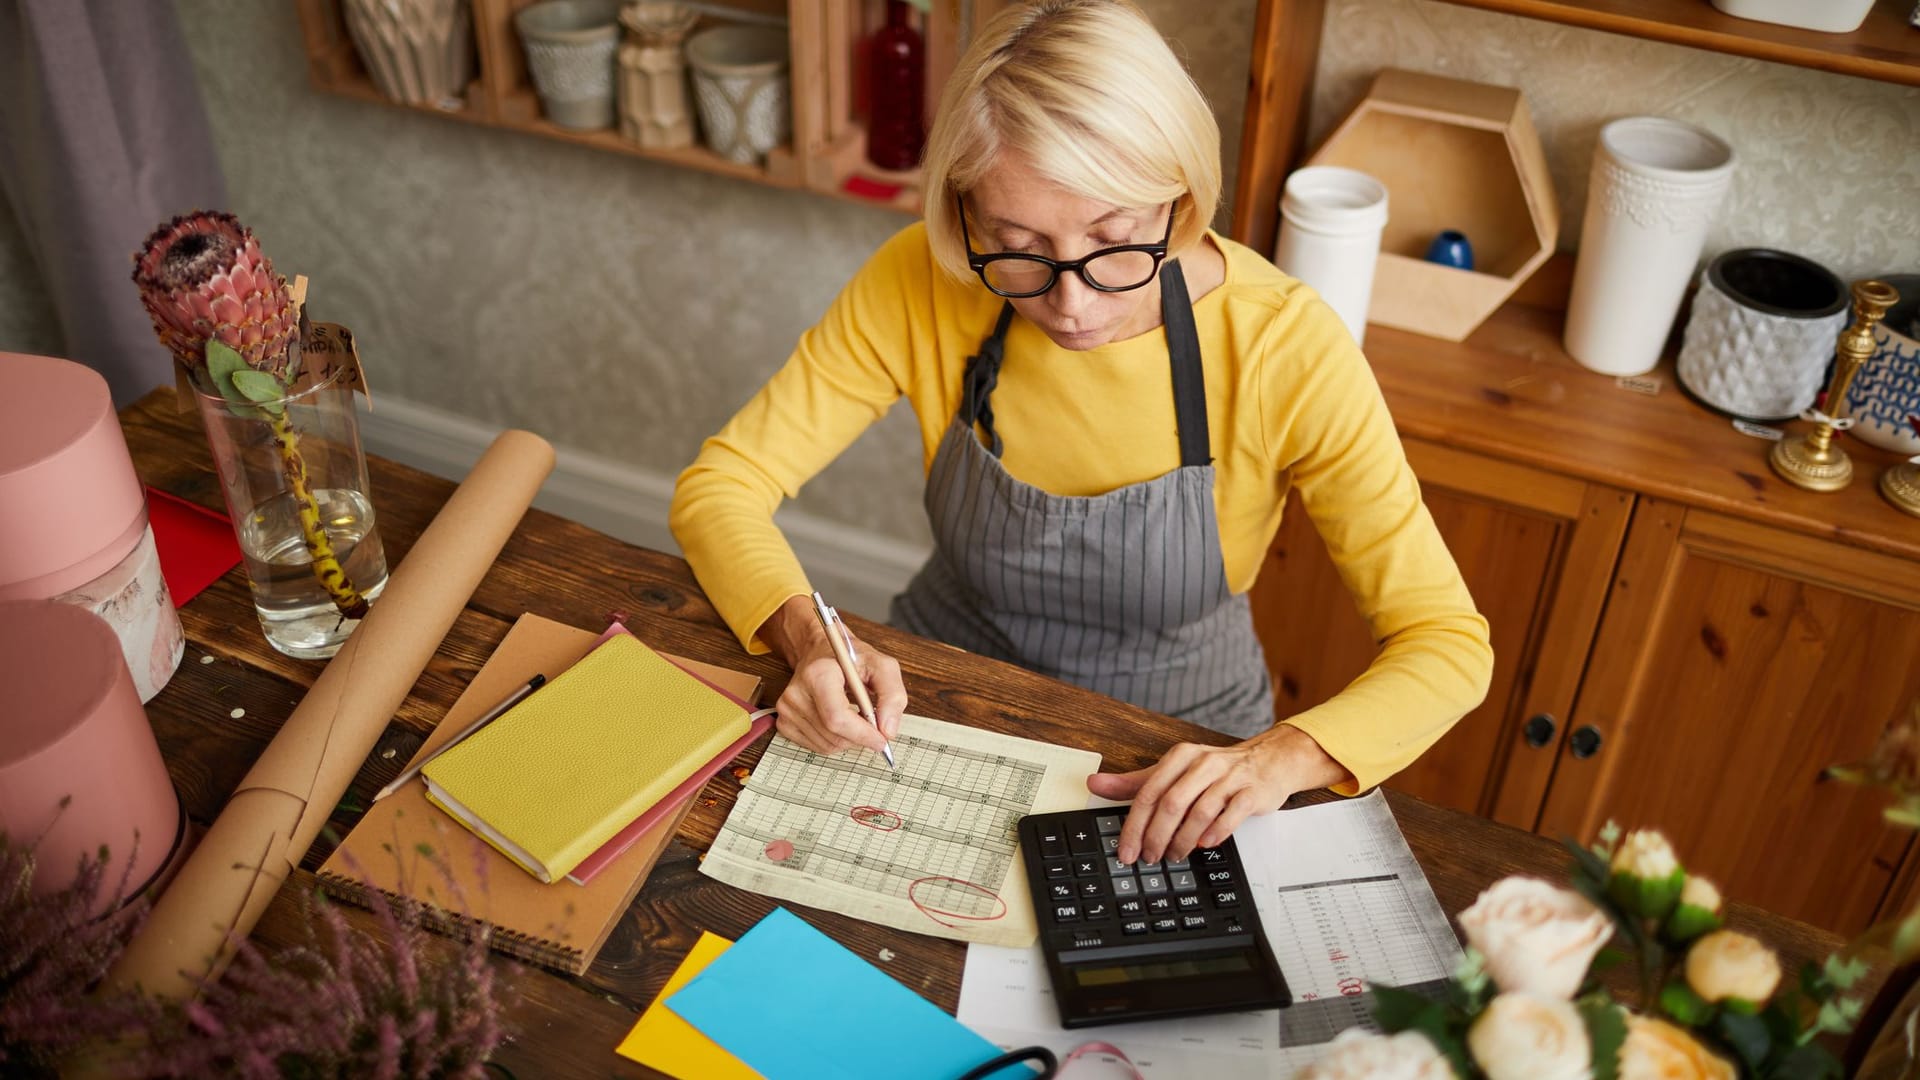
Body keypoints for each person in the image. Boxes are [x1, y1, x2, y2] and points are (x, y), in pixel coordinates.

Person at [670, 0, 1492, 868]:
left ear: (1179, 196)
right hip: (939, 699)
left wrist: (1279, 758)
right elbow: (721, 487)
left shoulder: (1285, 345)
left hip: (1179, 746)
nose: (1071, 304)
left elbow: (1446, 644)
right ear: (965, 216)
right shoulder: (918, 279)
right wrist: (809, 638)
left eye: (1114, 242)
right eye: (1019, 247)